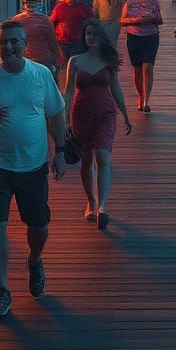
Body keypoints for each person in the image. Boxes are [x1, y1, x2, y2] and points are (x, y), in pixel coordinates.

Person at [0, 19, 67, 320]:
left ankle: (35, 260)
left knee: (39, 225)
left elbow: (56, 112)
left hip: (33, 164)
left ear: (24, 44)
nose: (8, 46)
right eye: (3, 42)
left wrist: (59, 151)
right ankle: (3, 288)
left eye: (14, 41)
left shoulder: (41, 74)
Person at [65, 19, 132, 229]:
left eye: (94, 34)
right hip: (81, 113)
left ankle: (102, 205)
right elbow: (67, 92)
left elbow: (116, 89)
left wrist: (126, 114)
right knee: (86, 162)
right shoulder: (75, 61)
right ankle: (91, 200)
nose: (91, 37)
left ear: (100, 37)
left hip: (106, 112)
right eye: (88, 35)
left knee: (103, 157)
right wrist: (64, 118)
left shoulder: (108, 62)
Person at [120, 0, 163, 113]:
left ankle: (147, 100)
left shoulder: (154, 2)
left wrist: (152, 18)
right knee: (137, 69)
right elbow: (122, 20)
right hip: (134, 37)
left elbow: (160, 20)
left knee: (148, 66)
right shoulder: (130, 3)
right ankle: (141, 95)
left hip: (151, 36)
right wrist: (135, 20)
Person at [50, 0, 93, 76]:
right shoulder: (59, 7)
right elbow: (51, 23)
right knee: (64, 66)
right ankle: (65, 85)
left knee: (77, 66)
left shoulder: (84, 8)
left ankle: (76, 85)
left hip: (78, 42)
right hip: (62, 43)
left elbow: (92, 23)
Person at [11, 0, 59, 70]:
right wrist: (58, 59)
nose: (31, 4)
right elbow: (52, 42)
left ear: (23, 5)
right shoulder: (45, 19)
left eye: (32, 2)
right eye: (30, 2)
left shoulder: (16, 20)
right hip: (41, 60)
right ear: (38, 4)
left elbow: (11, 41)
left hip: (25, 60)